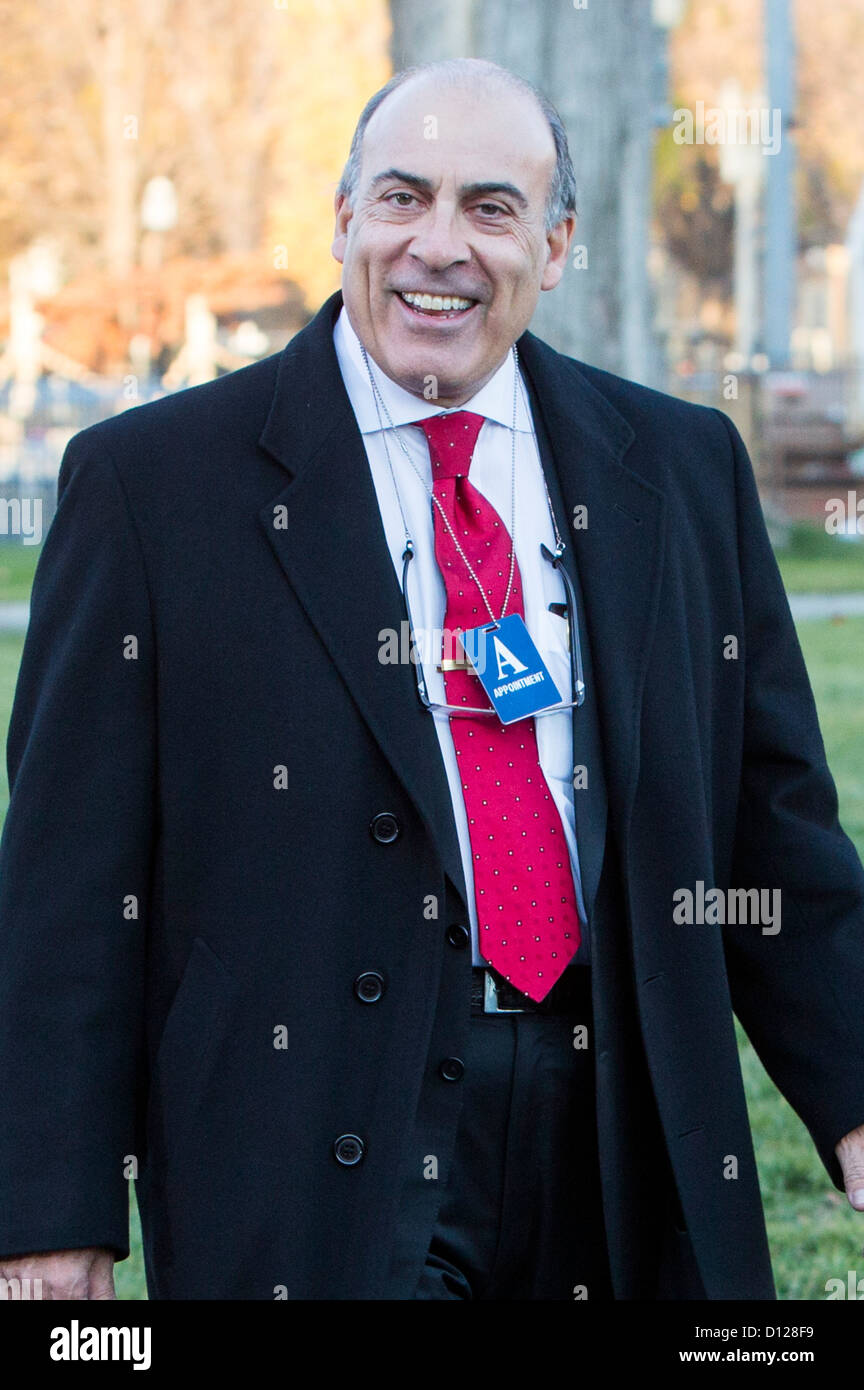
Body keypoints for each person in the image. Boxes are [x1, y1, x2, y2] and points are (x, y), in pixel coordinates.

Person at [1, 58, 863, 1302]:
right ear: (344, 219)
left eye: (491, 209)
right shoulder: (151, 489)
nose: (438, 247)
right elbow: (68, 887)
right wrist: (50, 1207)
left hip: (626, 1137)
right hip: (311, 1152)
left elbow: (773, 833)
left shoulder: (680, 471)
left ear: (558, 244)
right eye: (401, 199)